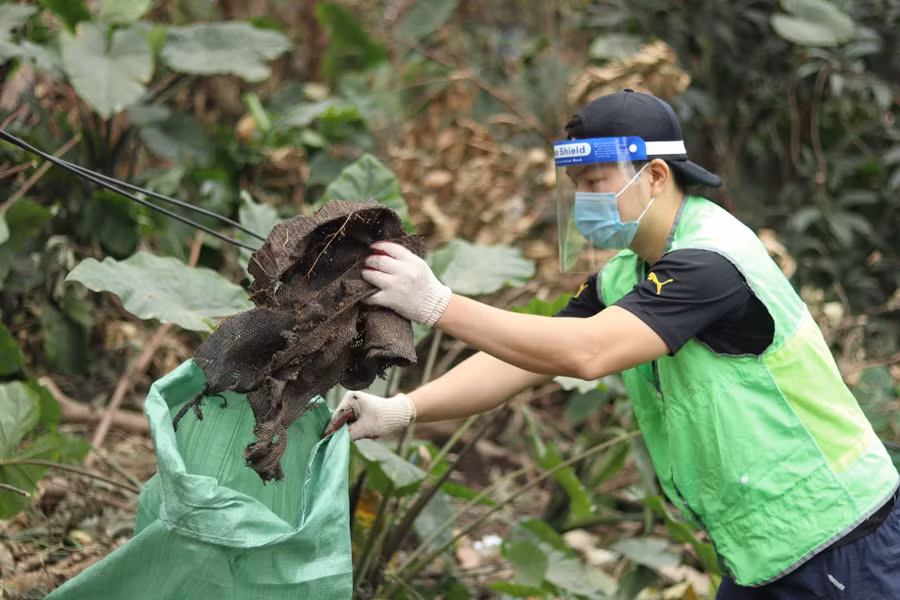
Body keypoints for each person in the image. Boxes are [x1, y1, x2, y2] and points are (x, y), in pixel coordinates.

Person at [324, 89, 900, 598]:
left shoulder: (711, 262)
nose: (584, 200)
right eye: (576, 185)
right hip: (763, 542)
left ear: (655, 175)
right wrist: (402, 410)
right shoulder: (629, 273)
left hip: (833, 531)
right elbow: (525, 361)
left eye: (596, 182)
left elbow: (586, 353)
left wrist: (437, 305)